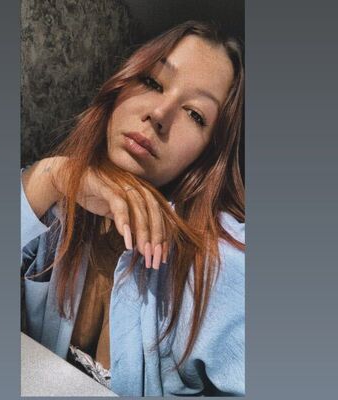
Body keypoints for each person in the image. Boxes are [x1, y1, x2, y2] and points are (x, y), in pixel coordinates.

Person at [21, 20, 245, 396]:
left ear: (209, 153)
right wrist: (54, 177)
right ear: (121, 82)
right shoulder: (54, 201)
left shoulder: (224, 259)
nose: (160, 114)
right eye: (152, 82)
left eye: (195, 114)